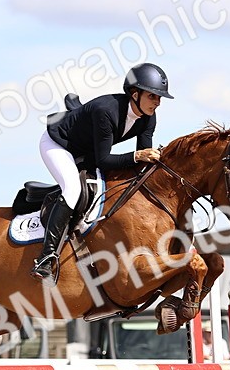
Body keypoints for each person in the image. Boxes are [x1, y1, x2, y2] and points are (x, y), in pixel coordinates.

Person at [31, 62, 173, 281]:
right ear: (134, 94)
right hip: (58, 144)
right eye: (153, 96)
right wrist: (137, 156)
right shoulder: (106, 111)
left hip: (87, 150)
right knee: (72, 190)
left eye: (159, 98)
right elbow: (105, 160)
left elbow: (142, 161)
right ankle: (45, 257)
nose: (158, 103)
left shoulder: (148, 118)